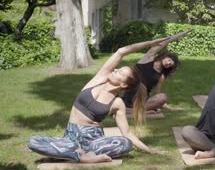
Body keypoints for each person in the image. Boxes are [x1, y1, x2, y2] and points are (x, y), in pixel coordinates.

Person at [28, 38, 170, 163]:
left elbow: (126, 133)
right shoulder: (99, 78)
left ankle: (74, 155)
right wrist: (150, 43)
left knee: (125, 143)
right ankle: (81, 157)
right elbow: (121, 52)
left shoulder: (117, 103)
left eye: (120, 72)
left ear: (123, 85)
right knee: (34, 141)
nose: (115, 70)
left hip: (94, 142)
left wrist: (150, 150)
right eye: (118, 69)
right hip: (70, 138)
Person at [122, 29, 192, 115]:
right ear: (164, 56)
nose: (168, 63)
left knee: (163, 97)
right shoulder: (148, 58)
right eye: (169, 60)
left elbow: (157, 93)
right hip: (132, 93)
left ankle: (137, 111)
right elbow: (165, 41)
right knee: (140, 85)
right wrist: (182, 34)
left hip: (144, 99)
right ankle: (136, 111)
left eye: (170, 64)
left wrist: (160, 105)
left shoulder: (161, 75)